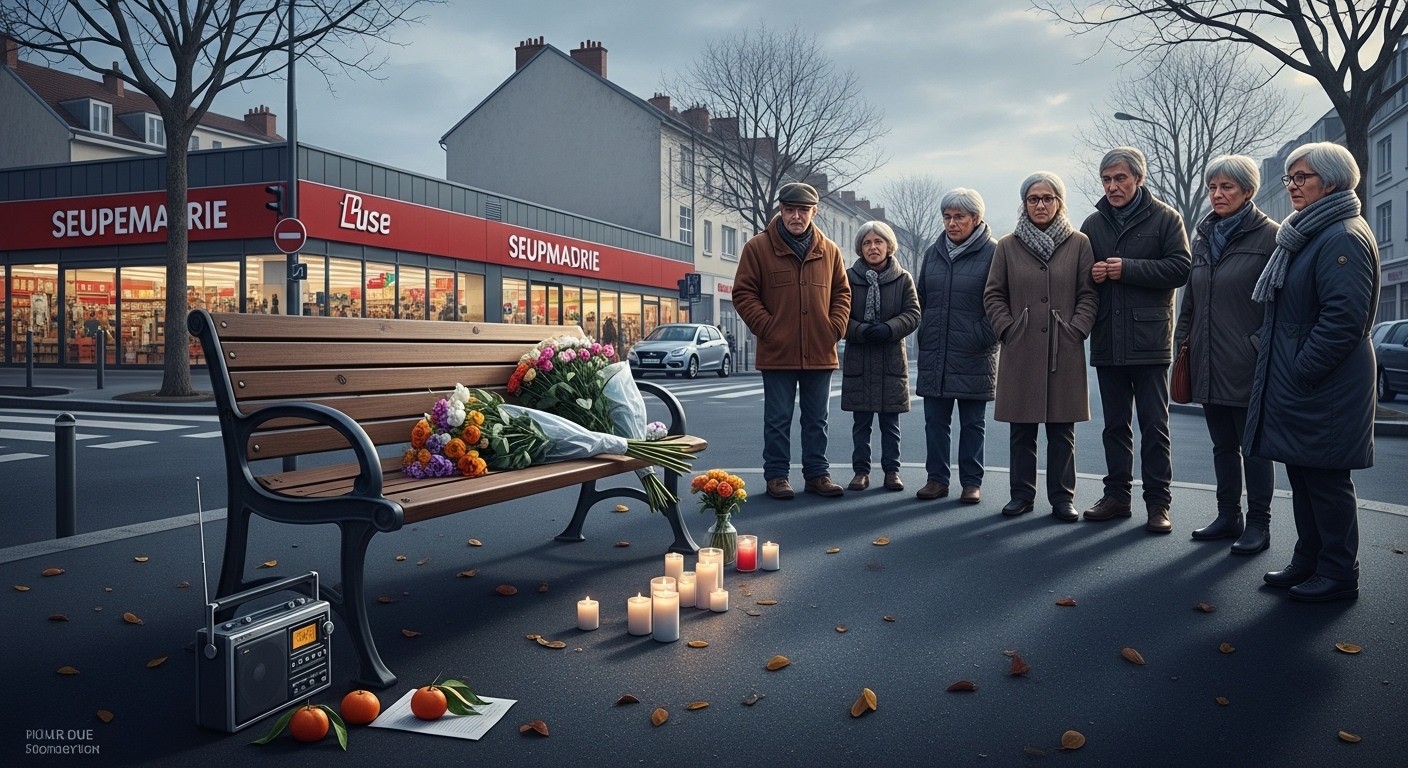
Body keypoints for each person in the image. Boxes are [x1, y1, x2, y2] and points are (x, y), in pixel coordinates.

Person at [1247, 142, 1378, 603]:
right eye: (1289, 178)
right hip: (1306, 380)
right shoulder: (1310, 232)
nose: (1292, 186)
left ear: (1333, 181)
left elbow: (1345, 319)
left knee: (1326, 481)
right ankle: (1310, 560)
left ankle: (1340, 573)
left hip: (1326, 383)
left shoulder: (1341, 235)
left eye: (1302, 177)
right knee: (1303, 476)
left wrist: (1300, 370)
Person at [1080, 146, 1192, 533]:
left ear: (1139, 179)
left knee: (1154, 426)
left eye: (1120, 178)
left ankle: (1159, 505)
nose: (1113, 186)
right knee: (1114, 427)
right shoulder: (1092, 224)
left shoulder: (1166, 218)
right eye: (1107, 180)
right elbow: (1080, 278)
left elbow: (1181, 268)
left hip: (1150, 341)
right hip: (1108, 338)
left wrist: (1125, 268)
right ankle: (1116, 497)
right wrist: (1091, 275)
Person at [1174, 155, 1278, 555]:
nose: (1217, 194)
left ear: (1248, 191)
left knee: (1253, 447)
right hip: (1206, 360)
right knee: (1222, 445)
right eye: (1213, 187)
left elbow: (1278, 305)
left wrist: (1257, 346)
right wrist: (1184, 344)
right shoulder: (1203, 237)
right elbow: (1192, 301)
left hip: (1247, 362)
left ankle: (1259, 524)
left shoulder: (1270, 237)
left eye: (1227, 187)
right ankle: (1227, 515)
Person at [984, 172, 1099, 521]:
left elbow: (1089, 294)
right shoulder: (1007, 245)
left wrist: (1075, 330)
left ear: (1059, 202)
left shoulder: (1079, 243)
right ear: (1025, 204)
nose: (1040, 204)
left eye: (1048, 198)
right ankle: (1021, 495)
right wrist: (1008, 329)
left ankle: (1063, 498)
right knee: (1022, 429)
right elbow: (993, 295)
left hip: (1063, 348)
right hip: (1020, 348)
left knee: (1063, 430)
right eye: (1033, 198)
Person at [733, 181, 851, 499]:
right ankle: (776, 477)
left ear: (814, 211)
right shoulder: (757, 248)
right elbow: (743, 293)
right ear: (781, 210)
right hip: (777, 350)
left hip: (820, 348)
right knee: (777, 418)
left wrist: (834, 327)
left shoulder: (830, 251)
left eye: (802, 210)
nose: (795, 216)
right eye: (789, 210)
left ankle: (817, 475)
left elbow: (842, 292)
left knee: (817, 419)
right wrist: (768, 328)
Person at [915, 188, 1000, 503]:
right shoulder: (933, 252)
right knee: (935, 422)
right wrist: (926, 331)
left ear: (976, 219)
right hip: (936, 351)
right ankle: (936, 480)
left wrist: (981, 334)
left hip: (974, 353)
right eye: (947, 217)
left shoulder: (994, 253)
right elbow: (922, 297)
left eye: (959, 217)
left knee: (972, 423)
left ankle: (971, 482)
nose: (952, 223)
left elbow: (1001, 303)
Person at [841, 221, 920, 492]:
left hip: (890, 359)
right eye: (867, 243)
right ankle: (861, 472)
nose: (873, 247)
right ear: (860, 248)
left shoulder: (902, 278)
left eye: (878, 242)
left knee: (890, 423)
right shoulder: (848, 277)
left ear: (889, 246)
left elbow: (913, 314)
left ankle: (892, 472)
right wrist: (861, 330)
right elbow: (838, 315)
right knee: (861, 424)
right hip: (859, 358)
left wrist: (889, 328)